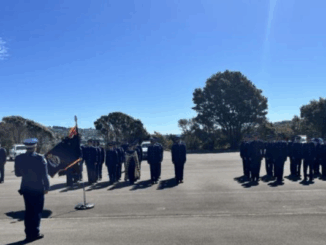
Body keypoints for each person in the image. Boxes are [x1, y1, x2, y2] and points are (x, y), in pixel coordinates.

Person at [14, 138, 49, 242]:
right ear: (35, 147)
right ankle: (35, 233)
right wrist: (47, 187)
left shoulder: (19, 158)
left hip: (26, 187)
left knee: (29, 211)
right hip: (38, 188)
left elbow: (17, 174)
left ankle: (28, 233)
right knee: (37, 211)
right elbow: (44, 175)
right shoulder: (40, 158)